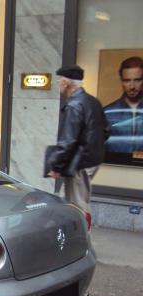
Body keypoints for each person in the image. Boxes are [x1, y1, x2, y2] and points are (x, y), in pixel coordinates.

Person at [47, 65, 110, 219]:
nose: (59, 84)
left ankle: (82, 238)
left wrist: (56, 166)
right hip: (92, 160)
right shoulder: (93, 101)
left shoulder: (74, 105)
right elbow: (107, 130)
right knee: (72, 199)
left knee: (78, 204)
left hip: (80, 163)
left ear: (67, 83)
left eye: (60, 81)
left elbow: (68, 141)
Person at [103, 56, 143, 153]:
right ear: (121, 81)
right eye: (127, 80)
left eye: (137, 80)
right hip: (115, 166)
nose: (132, 86)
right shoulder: (107, 113)